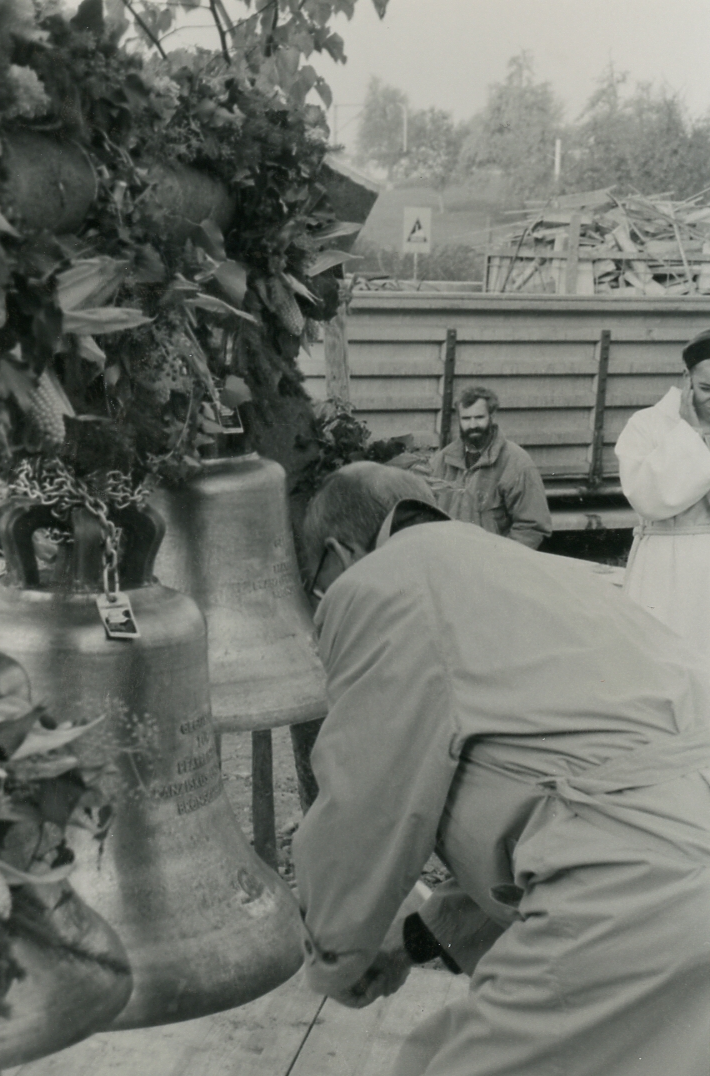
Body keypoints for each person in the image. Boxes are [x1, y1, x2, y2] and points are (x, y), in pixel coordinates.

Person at [293, 461, 710, 1076]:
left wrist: (334, 958)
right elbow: (574, 796)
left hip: (637, 890)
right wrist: (413, 939)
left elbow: (365, 801)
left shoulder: (379, 584)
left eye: (316, 587)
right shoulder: (520, 570)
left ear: (338, 553)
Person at [615, 329, 710, 661]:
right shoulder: (647, 424)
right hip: (666, 562)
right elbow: (649, 498)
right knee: (664, 658)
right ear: (686, 378)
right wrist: (689, 434)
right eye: (707, 389)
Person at [429, 385, 551, 549]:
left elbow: (531, 527)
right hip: (451, 558)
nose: (473, 425)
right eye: (466, 418)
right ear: (459, 420)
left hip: (492, 560)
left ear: (492, 416)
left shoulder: (517, 463)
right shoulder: (441, 461)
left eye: (479, 417)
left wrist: (501, 559)